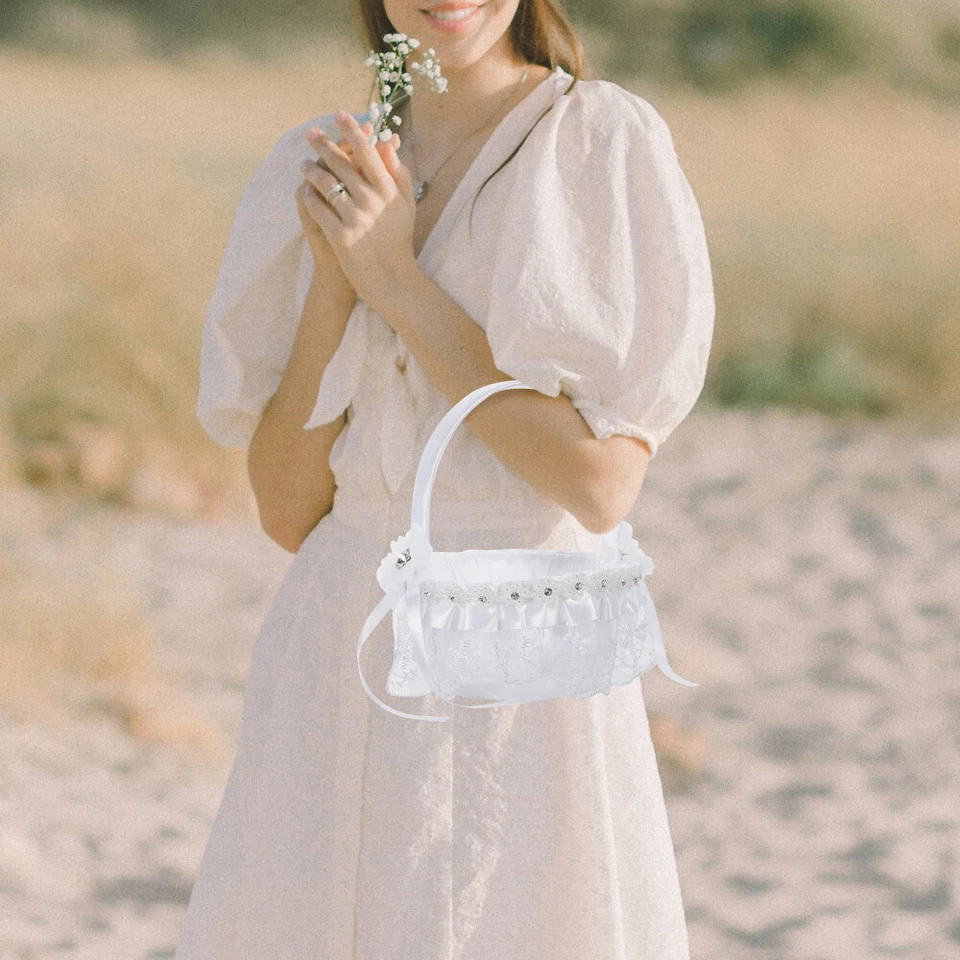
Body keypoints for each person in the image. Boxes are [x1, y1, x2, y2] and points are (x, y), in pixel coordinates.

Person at [177, 0, 715, 957]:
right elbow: (288, 510)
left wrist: (395, 281)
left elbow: (597, 487)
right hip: (340, 648)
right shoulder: (315, 166)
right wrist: (337, 287)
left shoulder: (596, 144)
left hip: (523, 650)